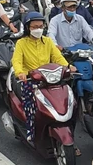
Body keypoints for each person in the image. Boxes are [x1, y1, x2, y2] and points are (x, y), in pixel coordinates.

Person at [11, 11, 72, 142]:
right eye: (34, 27)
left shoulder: (48, 41)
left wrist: (68, 67)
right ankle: (31, 132)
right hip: (31, 80)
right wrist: (20, 73)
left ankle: (69, 135)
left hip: (50, 79)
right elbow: (16, 61)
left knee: (68, 102)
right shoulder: (21, 43)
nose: (38, 29)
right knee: (31, 105)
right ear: (28, 28)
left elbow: (58, 57)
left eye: (40, 26)